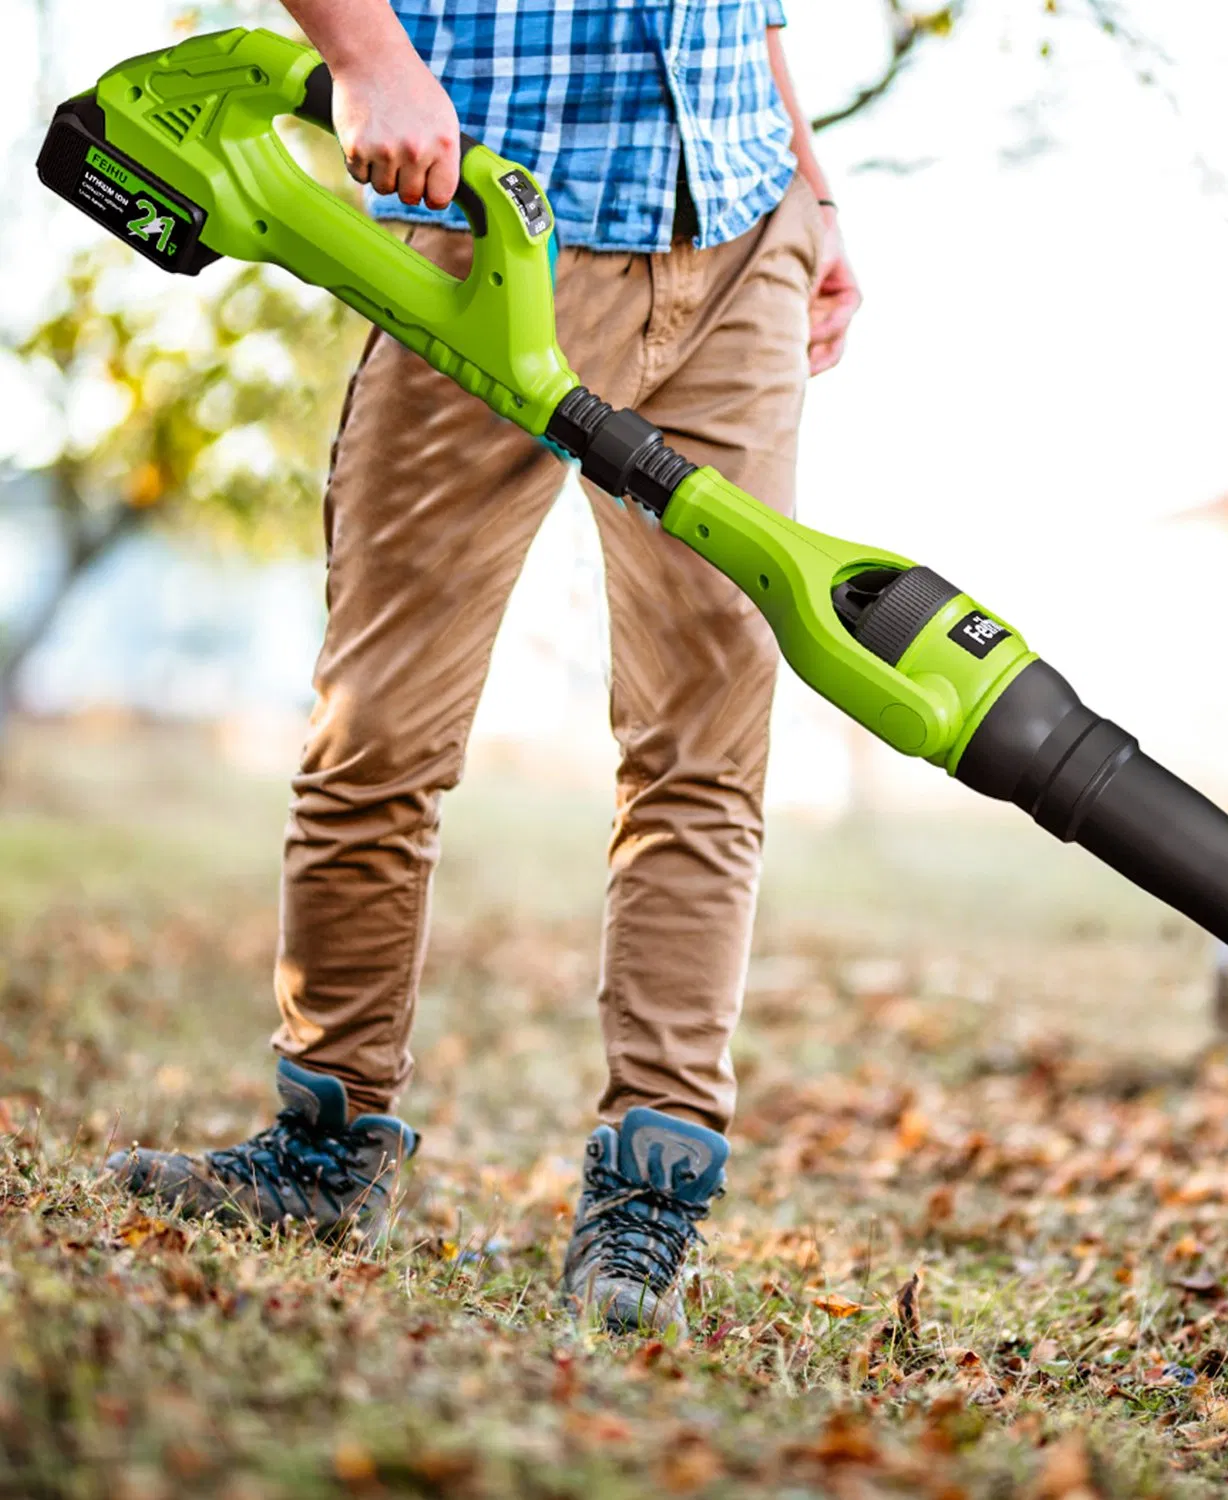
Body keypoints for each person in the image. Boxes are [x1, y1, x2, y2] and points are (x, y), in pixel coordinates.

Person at [108, 0, 861, 1334]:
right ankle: (320, 1151)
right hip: (483, 226)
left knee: (707, 745)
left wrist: (810, 186)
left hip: (740, 239)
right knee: (382, 729)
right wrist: (365, 54)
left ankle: (650, 1194)